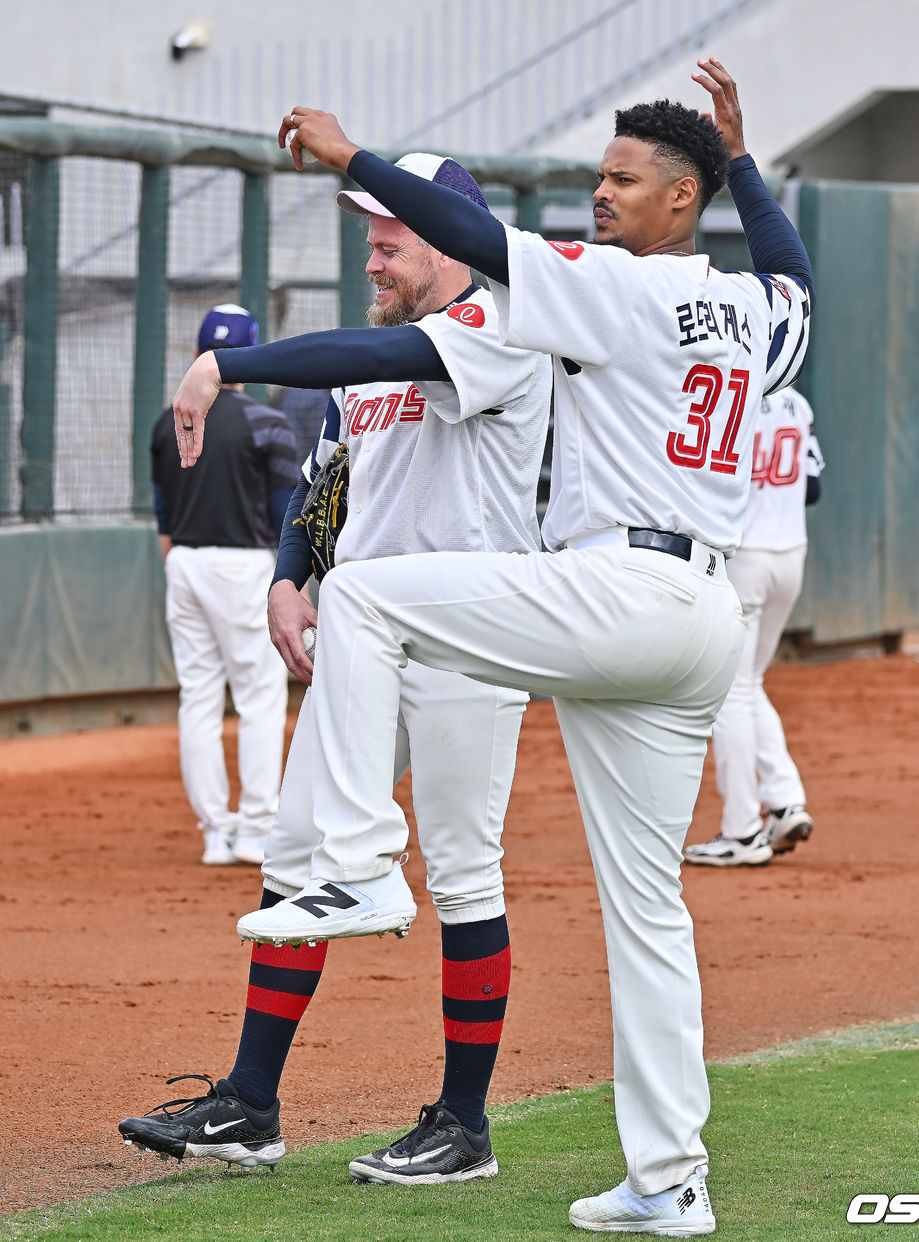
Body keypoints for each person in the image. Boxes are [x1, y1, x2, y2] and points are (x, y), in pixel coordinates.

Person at [170, 58, 811, 1236]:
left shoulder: (616, 288)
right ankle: (668, 1181)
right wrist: (743, 166)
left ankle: (364, 861)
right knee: (648, 913)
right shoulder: (755, 310)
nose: (600, 192)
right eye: (600, 176)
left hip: (617, 585)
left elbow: (475, 239)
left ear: (681, 200)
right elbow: (794, 274)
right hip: (697, 617)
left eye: (624, 178)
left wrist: (348, 153)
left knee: (367, 600)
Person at [120, 158, 553, 1184]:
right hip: (364, 642)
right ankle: (250, 1105)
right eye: (368, 236)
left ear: (449, 237)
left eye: (389, 236)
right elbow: (325, 483)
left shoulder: (499, 330)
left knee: (462, 870)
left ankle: (464, 1124)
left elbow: (380, 352)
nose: (372, 254)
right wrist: (287, 577)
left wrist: (226, 364)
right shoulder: (363, 366)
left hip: (469, 637)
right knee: (295, 853)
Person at [151, 304, 299, 867]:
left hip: (184, 564)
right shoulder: (267, 423)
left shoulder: (167, 422)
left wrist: (179, 570)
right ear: (250, 358)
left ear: (199, 354)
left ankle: (215, 832)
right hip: (245, 567)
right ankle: (255, 829)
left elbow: (163, 521)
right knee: (259, 697)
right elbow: (286, 517)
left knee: (199, 697)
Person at [684, 388, 824, 868]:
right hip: (792, 555)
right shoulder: (797, 402)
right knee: (749, 683)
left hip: (747, 556)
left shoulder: (732, 389)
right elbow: (814, 488)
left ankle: (741, 829)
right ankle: (785, 802)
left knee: (730, 690)